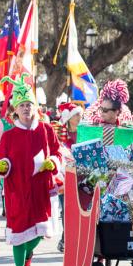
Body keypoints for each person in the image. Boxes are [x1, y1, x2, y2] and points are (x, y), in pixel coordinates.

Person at [0, 75, 62, 266]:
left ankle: (28, 257)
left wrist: (53, 161)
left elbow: (58, 152)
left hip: (40, 190)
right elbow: (0, 160)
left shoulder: (46, 129)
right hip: (16, 191)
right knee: (19, 233)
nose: (25, 109)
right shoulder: (9, 135)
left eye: (29, 105)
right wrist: (3, 165)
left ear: (35, 107)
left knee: (39, 232)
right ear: (15, 109)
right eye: (21, 105)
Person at [51, 102, 83, 253]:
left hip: (82, 174)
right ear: (69, 118)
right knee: (66, 208)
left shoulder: (84, 132)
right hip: (64, 175)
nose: (79, 117)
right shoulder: (60, 133)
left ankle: (73, 238)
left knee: (79, 208)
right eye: (76, 114)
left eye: (80, 114)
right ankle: (66, 238)